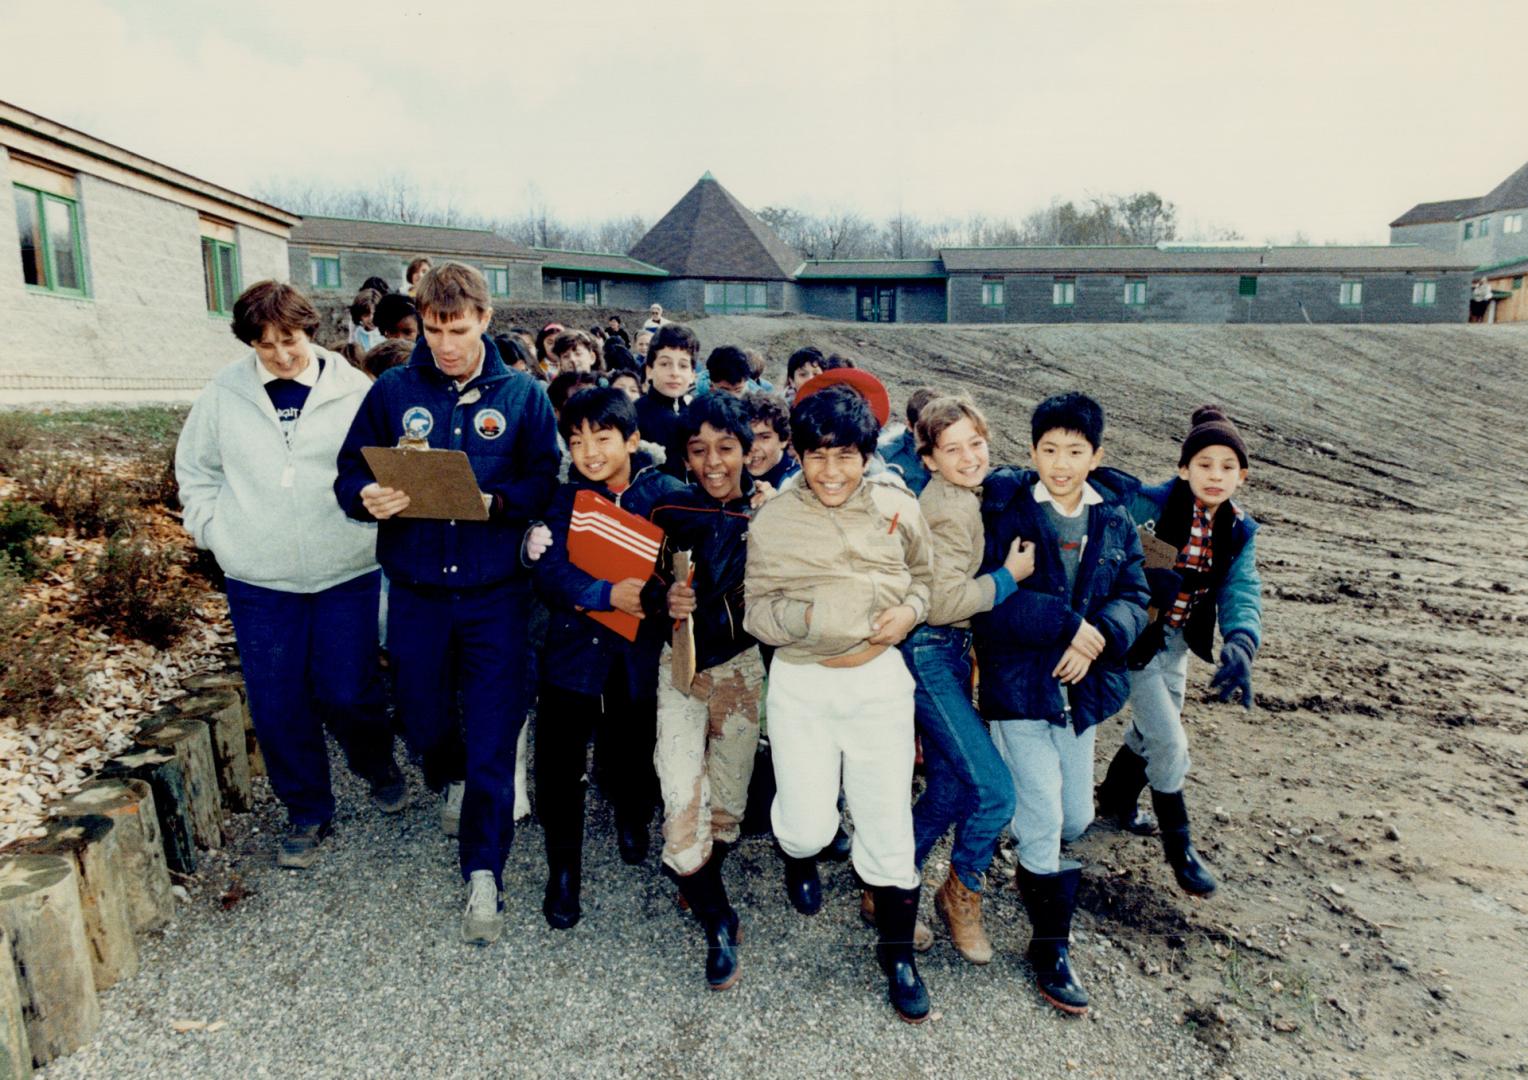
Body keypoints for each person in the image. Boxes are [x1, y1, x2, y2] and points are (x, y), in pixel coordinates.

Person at [334, 262, 559, 946]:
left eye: (458, 330)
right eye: (434, 330)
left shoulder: (522, 396)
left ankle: (484, 871)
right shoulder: (394, 391)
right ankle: (447, 772)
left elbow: (545, 479)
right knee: (425, 719)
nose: (445, 344)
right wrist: (363, 498)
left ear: (484, 321)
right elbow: (350, 471)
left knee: (494, 735)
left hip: (497, 597)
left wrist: (500, 505)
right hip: (417, 596)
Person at [176, 281, 404, 869]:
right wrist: (213, 531)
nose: (280, 354)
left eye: (291, 340)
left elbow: (384, 468)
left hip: (343, 568)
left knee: (347, 690)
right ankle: (306, 809)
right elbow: (196, 472)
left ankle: (375, 761)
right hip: (260, 578)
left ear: (312, 331)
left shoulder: (356, 391)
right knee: (277, 702)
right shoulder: (223, 394)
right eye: (265, 343)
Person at [743, 382, 936, 1024]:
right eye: (817, 456)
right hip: (804, 684)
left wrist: (908, 612)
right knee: (807, 824)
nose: (832, 471)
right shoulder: (773, 519)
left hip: (879, 682)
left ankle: (898, 955)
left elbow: (927, 579)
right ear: (797, 454)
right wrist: (815, 616)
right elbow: (756, 611)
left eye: (845, 456)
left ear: (865, 454)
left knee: (887, 824)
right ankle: (801, 855)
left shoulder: (897, 504)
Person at [973, 391, 1149, 1015]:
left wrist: (1098, 634)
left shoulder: (1114, 519)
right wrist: (1064, 623)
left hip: (1084, 688)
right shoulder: (1008, 512)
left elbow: (1135, 591)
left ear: (1097, 455)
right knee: (1047, 817)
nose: (1062, 463)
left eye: (1076, 451)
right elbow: (988, 604)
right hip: (1020, 686)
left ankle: (1019, 830)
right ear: (1033, 451)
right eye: (1049, 450)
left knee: (1074, 816)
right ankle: (1050, 948)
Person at [1095, 405, 1262, 898]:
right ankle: (1180, 848)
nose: (1215, 475)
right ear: (1184, 468)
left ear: (1242, 476)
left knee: (1150, 733)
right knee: (1171, 743)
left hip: (1178, 645)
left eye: (1227, 467)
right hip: (1137, 641)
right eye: (1204, 464)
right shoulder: (1148, 506)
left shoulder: (1238, 530)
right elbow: (1108, 547)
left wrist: (1241, 640)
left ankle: (1117, 801)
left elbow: (1241, 588)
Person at [532, 387, 684, 929]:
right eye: (576, 441)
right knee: (558, 765)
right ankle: (564, 869)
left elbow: (688, 562)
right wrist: (601, 594)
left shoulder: (664, 492)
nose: (590, 451)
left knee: (632, 747)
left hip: (636, 658)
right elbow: (549, 571)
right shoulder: (564, 498)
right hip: (572, 656)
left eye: (603, 437)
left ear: (633, 438)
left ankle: (632, 815)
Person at [900, 396, 1033, 964]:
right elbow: (941, 601)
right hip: (931, 651)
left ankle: (888, 887)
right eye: (951, 449)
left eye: (975, 443)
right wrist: (1009, 576)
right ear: (928, 458)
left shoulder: (962, 496)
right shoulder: (950, 509)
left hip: (946, 652)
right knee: (995, 790)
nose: (969, 456)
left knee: (952, 787)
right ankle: (962, 891)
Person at [647, 393, 768, 990]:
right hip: (681, 668)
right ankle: (717, 919)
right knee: (678, 790)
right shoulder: (667, 507)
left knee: (729, 799)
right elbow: (641, 582)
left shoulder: (774, 512)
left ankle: (700, 879)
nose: (714, 462)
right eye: (699, 450)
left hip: (744, 672)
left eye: (727, 448)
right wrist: (661, 600)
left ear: (749, 450)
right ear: (685, 456)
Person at [635, 323, 698, 478]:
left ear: (692, 375)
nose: (674, 373)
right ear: (649, 370)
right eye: (665, 364)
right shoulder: (634, 415)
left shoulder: (699, 415)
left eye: (683, 366)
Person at [879, 387, 938, 495]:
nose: (932, 435)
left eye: (937, 427)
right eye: (924, 430)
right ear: (909, 425)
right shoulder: (888, 456)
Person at [742, 392, 797, 490]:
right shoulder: (734, 474)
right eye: (746, 437)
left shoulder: (796, 481)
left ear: (783, 439)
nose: (753, 447)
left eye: (764, 437)